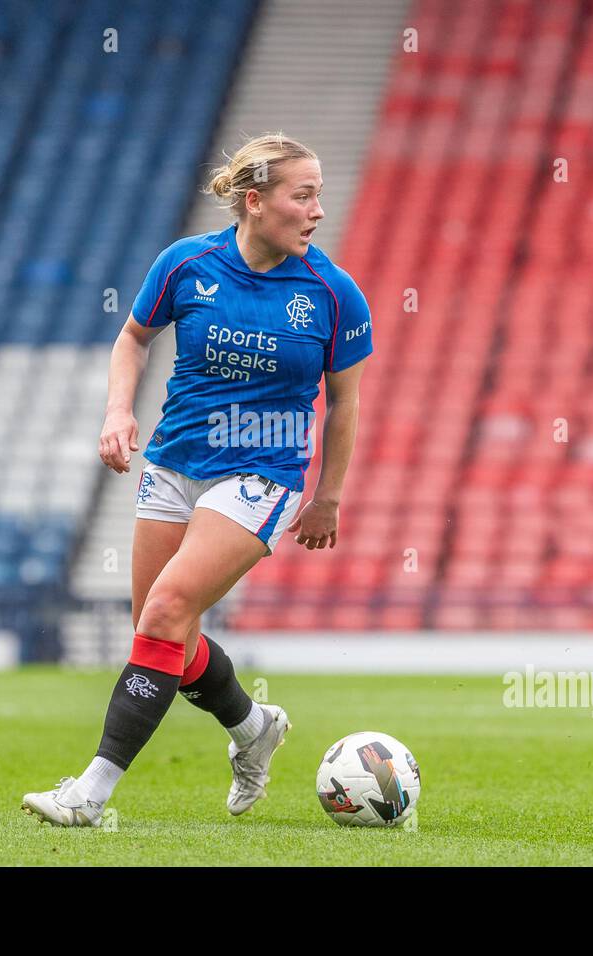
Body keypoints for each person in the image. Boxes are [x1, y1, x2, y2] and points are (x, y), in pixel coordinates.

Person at [22, 133, 374, 826]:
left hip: (262, 473)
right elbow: (132, 338)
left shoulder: (333, 292)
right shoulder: (187, 264)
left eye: (320, 196)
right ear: (254, 201)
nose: (317, 211)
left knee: (165, 614)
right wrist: (119, 411)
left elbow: (346, 402)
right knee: (163, 638)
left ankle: (88, 795)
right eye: (303, 195)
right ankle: (253, 730)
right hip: (173, 462)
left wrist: (326, 495)